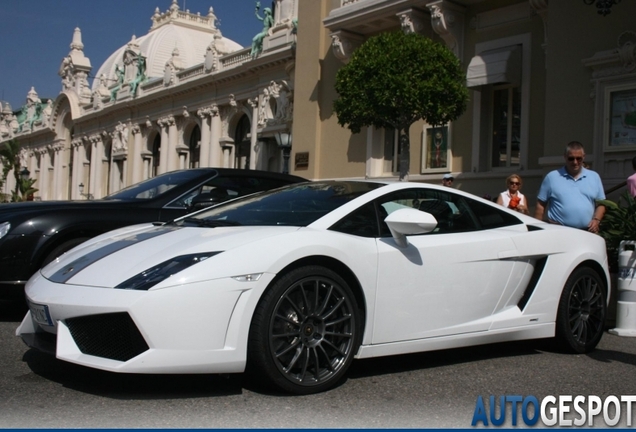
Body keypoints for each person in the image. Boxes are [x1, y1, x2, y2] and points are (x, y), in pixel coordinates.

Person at [534, 141, 605, 232]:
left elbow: (602, 203)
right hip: (559, 231)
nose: (575, 162)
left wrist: (596, 220)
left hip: (587, 232)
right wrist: (536, 229)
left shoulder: (594, 177)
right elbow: (540, 204)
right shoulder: (552, 177)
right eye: (571, 158)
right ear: (565, 157)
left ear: (584, 157)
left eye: (578, 158)